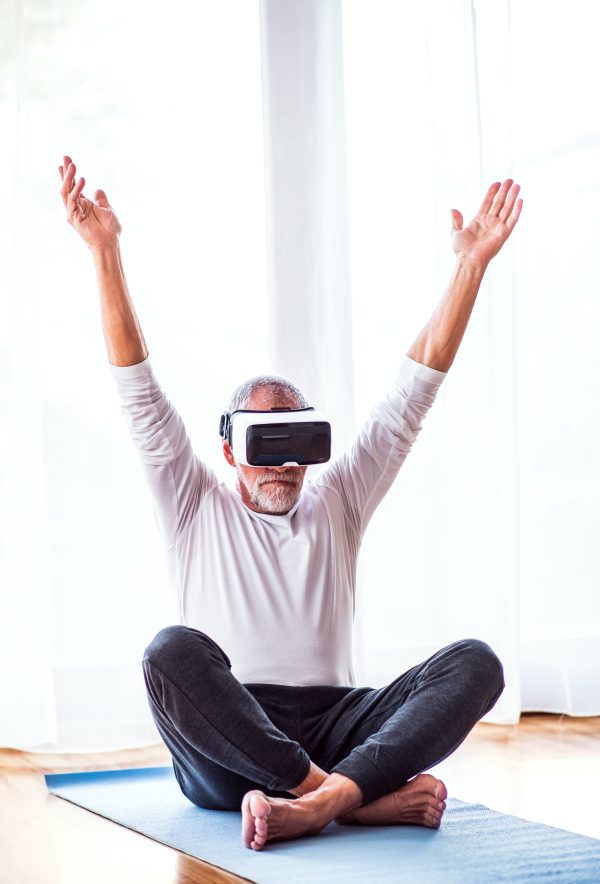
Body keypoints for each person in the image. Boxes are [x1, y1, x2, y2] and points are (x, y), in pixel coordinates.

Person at [59, 155, 522, 850]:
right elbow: (138, 391)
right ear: (229, 451)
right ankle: (343, 799)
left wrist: (471, 267)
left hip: (339, 723)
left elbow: (412, 393)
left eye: (297, 439)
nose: (283, 461)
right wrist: (105, 250)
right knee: (169, 652)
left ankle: (324, 793)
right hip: (231, 736)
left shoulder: (337, 499)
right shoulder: (195, 503)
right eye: (264, 440)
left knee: (478, 663)